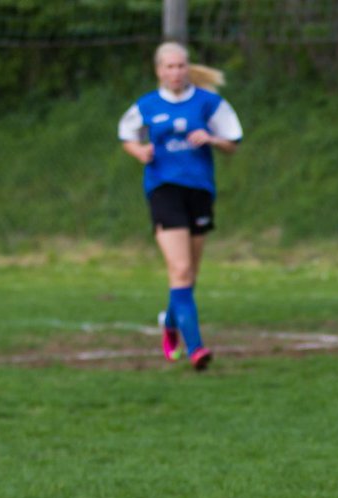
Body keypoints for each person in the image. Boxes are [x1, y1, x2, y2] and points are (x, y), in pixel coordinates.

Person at [118, 42, 243, 371]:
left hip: (199, 191)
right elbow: (125, 134)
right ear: (159, 70)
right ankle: (196, 349)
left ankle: (170, 323)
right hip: (164, 191)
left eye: (180, 66)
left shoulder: (209, 103)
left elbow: (233, 142)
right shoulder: (147, 105)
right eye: (169, 67)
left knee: (188, 276)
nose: (175, 72)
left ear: (188, 68)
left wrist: (212, 139)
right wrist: (139, 152)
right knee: (181, 270)